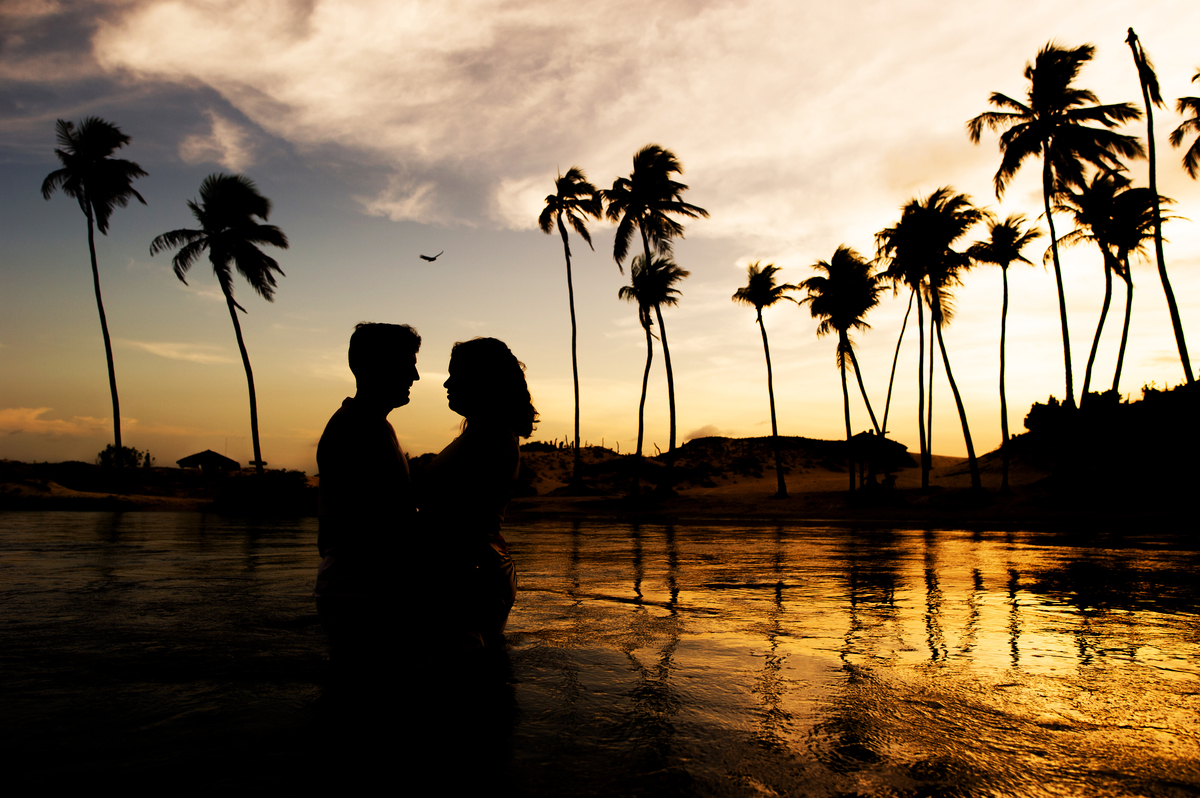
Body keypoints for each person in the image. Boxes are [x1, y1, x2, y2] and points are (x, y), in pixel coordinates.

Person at [314, 322, 420, 682]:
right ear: (377, 366)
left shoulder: (371, 424)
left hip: (364, 589)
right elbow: (373, 524)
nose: (416, 375)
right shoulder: (357, 429)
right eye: (408, 363)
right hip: (361, 595)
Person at [418, 337, 536, 651]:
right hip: (474, 568)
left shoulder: (491, 437)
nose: (446, 383)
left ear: (482, 381)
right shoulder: (483, 433)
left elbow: (460, 515)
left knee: (462, 679)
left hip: (469, 572)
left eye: (455, 375)